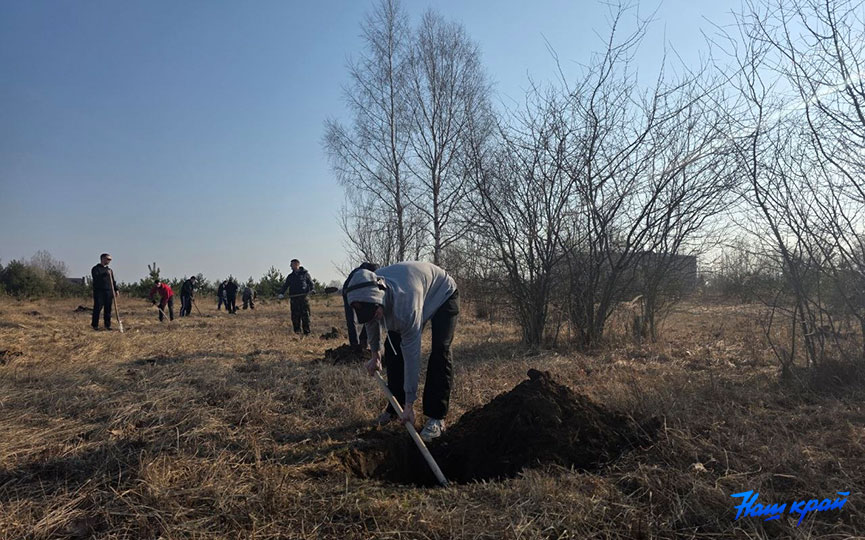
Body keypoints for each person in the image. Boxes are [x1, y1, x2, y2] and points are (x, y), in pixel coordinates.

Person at [346, 261, 459, 442]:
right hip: (409, 291)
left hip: (442, 294)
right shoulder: (367, 291)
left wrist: (410, 403)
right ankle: (394, 407)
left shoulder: (406, 305)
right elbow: (370, 322)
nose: (374, 317)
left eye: (375, 312)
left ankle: (436, 417)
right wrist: (375, 356)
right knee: (392, 351)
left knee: (440, 351)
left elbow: (412, 355)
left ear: (379, 298)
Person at [343, 262, 379, 349]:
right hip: (349, 293)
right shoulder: (360, 274)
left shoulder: (368, 273)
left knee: (368, 315)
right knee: (352, 320)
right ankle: (355, 346)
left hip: (358, 293)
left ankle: (363, 340)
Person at [278, 259, 314, 335]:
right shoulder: (290, 276)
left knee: (306, 317)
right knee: (295, 317)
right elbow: (285, 285)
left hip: (304, 299)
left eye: (292, 264)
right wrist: (281, 293)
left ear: (297, 264)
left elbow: (311, 284)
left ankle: (307, 333)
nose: (290, 266)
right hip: (294, 300)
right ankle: (297, 333)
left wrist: (312, 290)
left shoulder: (305, 274)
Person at [90, 253, 118, 330]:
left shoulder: (109, 270)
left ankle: (107, 325)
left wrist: (116, 289)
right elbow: (96, 278)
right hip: (99, 292)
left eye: (110, 260)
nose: (109, 261)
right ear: (103, 259)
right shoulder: (96, 268)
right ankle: (95, 325)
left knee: (108, 309)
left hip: (109, 292)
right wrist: (105, 274)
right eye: (108, 259)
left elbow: (113, 280)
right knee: (97, 308)